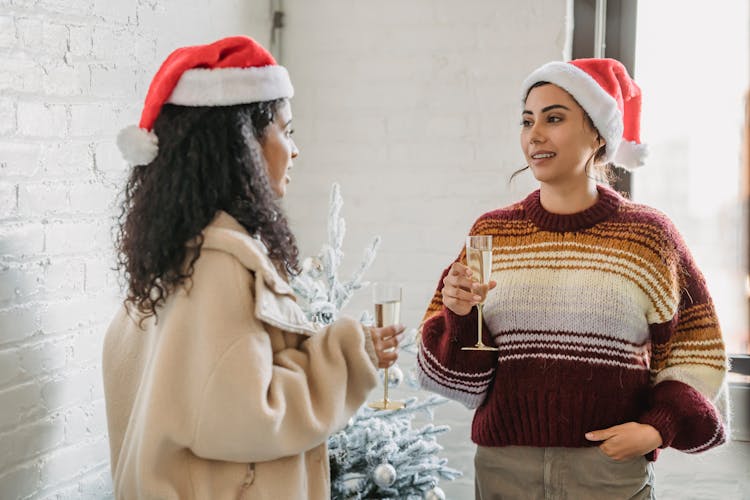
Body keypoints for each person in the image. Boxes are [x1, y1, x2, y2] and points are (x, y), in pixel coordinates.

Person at [102, 36, 404, 500]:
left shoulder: (171, 259)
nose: (295, 150)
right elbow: (246, 414)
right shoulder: (217, 268)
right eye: (287, 130)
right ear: (242, 144)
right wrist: (347, 354)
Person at [417, 58, 729, 499]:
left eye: (555, 118)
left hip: (607, 474)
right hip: (504, 471)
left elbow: (698, 351)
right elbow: (458, 382)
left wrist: (658, 429)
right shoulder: (492, 233)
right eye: (527, 121)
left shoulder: (648, 237)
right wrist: (460, 316)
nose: (535, 135)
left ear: (598, 133)